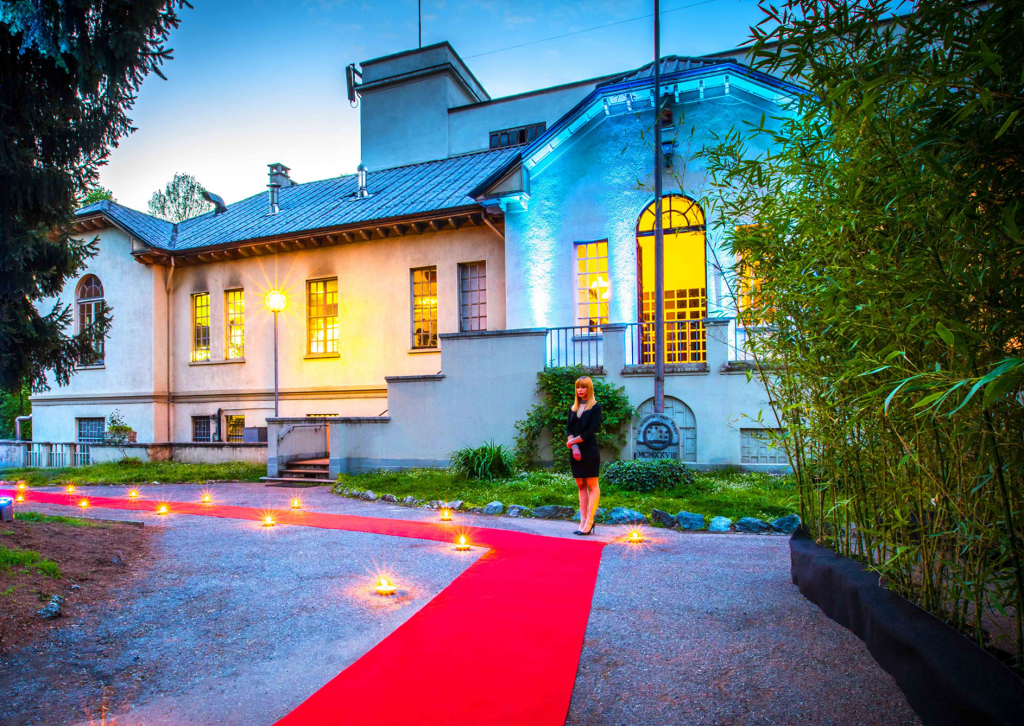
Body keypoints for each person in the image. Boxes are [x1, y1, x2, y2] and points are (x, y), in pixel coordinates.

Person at [566, 376, 602, 535]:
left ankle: (590, 521)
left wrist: (573, 442)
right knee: (581, 485)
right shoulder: (573, 408)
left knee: (592, 484)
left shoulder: (595, 407)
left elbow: (592, 430)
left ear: (589, 388)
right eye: (578, 387)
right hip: (575, 449)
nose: (580, 390)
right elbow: (568, 429)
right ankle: (582, 520)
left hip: (589, 449)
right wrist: (574, 446)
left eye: (583, 387)